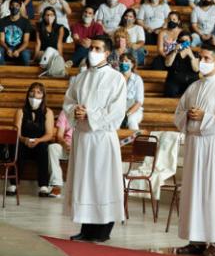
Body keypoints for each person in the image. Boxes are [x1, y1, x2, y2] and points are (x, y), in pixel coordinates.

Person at [174, 44, 215, 256]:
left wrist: (204, 116)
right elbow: (179, 111)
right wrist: (189, 115)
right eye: (200, 57)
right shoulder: (193, 87)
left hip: (213, 142)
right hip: (195, 142)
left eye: (206, 58)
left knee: (212, 190)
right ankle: (195, 239)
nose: (202, 61)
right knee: (193, 190)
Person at [63, 35, 127, 242]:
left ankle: (103, 230)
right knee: (85, 182)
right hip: (83, 138)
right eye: (91, 47)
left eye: (98, 48)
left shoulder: (116, 78)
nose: (93, 51)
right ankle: (86, 226)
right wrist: (76, 110)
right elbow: (69, 101)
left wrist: (90, 114)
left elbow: (117, 111)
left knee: (102, 182)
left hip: (101, 137)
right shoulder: (80, 77)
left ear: (107, 53)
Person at [9, 83, 55, 197]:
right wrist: (24, 140)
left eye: (39, 92)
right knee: (16, 147)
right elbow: (17, 132)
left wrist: (38, 140)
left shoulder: (48, 112)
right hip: (23, 142)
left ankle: (43, 186)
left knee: (44, 147)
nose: (35, 95)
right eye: (32, 92)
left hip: (39, 143)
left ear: (43, 96)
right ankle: (13, 184)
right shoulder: (21, 111)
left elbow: (49, 134)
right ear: (28, 94)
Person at [0, 0, 33, 65]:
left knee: (26, 54)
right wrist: (7, 49)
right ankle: (2, 73)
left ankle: (25, 74)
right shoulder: (2, 21)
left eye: (17, 5)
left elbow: (26, 42)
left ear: (20, 7)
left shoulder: (26, 22)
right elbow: (1, 40)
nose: (14, 7)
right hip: (6, 48)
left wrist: (18, 51)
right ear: (9, 7)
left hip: (19, 49)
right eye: (12, 5)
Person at [120, 53, 143, 131]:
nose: (123, 63)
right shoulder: (116, 78)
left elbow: (139, 102)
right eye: (122, 61)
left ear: (132, 64)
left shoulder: (137, 79)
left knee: (131, 119)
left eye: (126, 61)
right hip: (118, 110)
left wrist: (127, 114)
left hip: (133, 110)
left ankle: (137, 141)